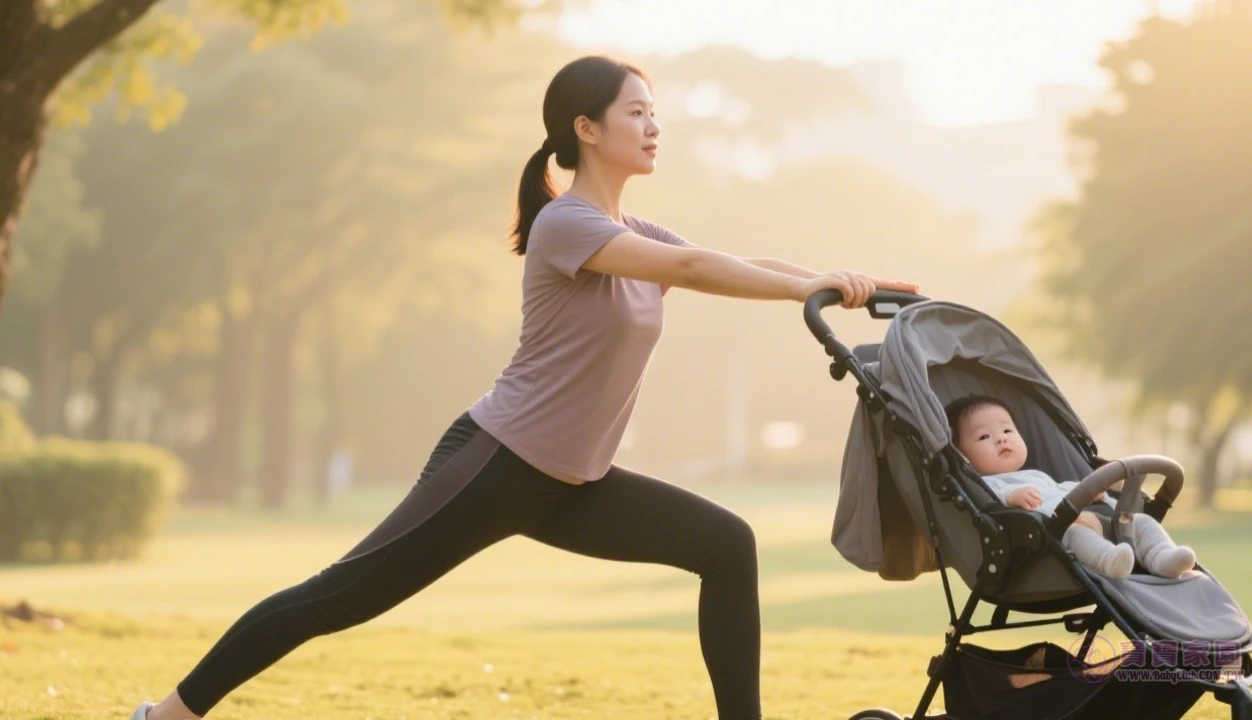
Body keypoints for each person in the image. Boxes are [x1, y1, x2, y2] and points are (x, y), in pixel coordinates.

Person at [128, 56, 920, 720]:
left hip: (572, 484)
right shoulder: (566, 225)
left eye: (655, 113)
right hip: (496, 464)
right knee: (339, 597)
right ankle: (166, 716)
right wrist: (804, 287)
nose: (653, 126)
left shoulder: (636, 233)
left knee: (725, 544)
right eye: (637, 112)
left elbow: (727, 262)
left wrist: (839, 283)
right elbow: (692, 268)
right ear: (587, 128)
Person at [945, 395, 1196, 580]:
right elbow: (989, 501)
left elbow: (1062, 489)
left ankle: (1163, 557)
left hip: (1104, 519)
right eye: (984, 436)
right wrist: (1011, 496)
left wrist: (1090, 491)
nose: (1001, 438)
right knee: (1078, 535)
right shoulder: (985, 484)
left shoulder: (1036, 476)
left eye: (1007, 430)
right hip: (1060, 533)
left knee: (1143, 523)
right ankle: (1109, 560)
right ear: (963, 456)